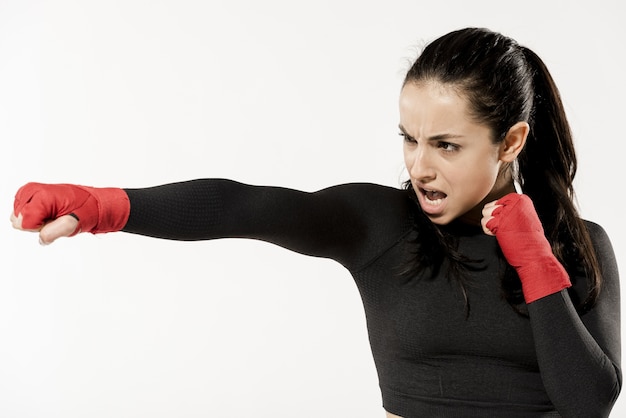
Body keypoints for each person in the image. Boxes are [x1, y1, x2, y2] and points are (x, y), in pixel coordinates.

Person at [10, 27, 621, 417]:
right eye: (409, 139)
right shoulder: (382, 225)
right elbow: (244, 204)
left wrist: (536, 259)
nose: (420, 167)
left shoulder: (579, 245)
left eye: (447, 145)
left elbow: (589, 400)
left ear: (510, 140)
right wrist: (102, 206)